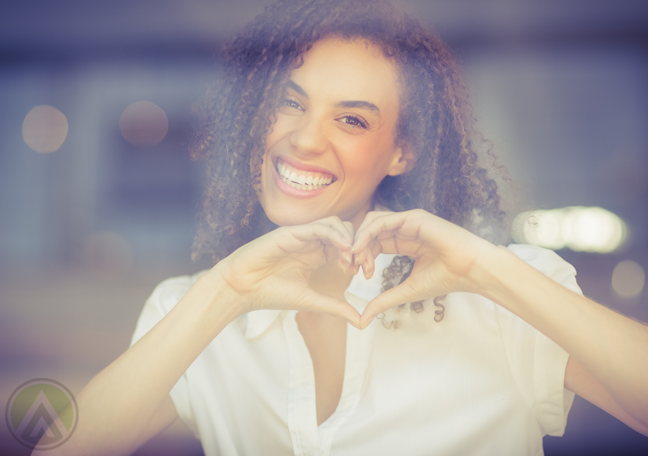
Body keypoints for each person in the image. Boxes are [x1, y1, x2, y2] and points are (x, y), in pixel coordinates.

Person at [36, 0, 648, 455]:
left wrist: (483, 269)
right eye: (290, 101)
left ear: (401, 152)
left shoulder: (502, 297)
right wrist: (223, 294)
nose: (305, 138)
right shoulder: (194, 310)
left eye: (351, 120)